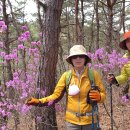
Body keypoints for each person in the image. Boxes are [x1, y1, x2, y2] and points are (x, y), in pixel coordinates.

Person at [26, 45, 106, 130]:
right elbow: (56, 96)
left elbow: (103, 94)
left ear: (85, 59)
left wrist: (100, 97)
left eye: (81, 56)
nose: (78, 59)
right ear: (71, 60)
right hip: (72, 123)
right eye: (74, 57)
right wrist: (39, 102)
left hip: (91, 122)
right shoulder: (66, 76)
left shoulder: (93, 75)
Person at [107, 31, 130, 99]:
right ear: (125, 44)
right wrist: (114, 80)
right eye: (128, 41)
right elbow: (124, 76)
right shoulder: (124, 58)